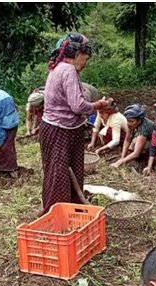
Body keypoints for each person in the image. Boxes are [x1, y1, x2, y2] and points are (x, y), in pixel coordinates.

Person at [39, 32, 110, 213]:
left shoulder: (59, 68)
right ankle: (59, 214)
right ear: (77, 54)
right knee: (60, 175)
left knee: (62, 172)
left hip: (62, 128)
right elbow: (77, 105)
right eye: (85, 59)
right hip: (60, 130)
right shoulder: (68, 70)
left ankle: (69, 208)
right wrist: (98, 105)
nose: (85, 64)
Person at [26, 82, 99, 137]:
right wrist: (29, 130)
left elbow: (57, 118)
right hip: (73, 92)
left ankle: (91, 134)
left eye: (37, 107)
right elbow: (29, 118)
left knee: (85, 114)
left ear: (42, 103)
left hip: (86, 91)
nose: (36, 109)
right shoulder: (31, 103)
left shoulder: (54, 101)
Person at [111, 104, 156, 169]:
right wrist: (122, 157)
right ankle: (130, 159)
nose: (129, 123)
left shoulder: (144, 127)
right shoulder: (131, 124)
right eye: (128, 120)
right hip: (142, 139)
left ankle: (145, 162)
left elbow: (136, 153)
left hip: (154, 146)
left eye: (131, 121)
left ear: (139, 121)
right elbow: (127, 140)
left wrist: (119, 163)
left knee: (136, 143)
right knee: (134, 142)